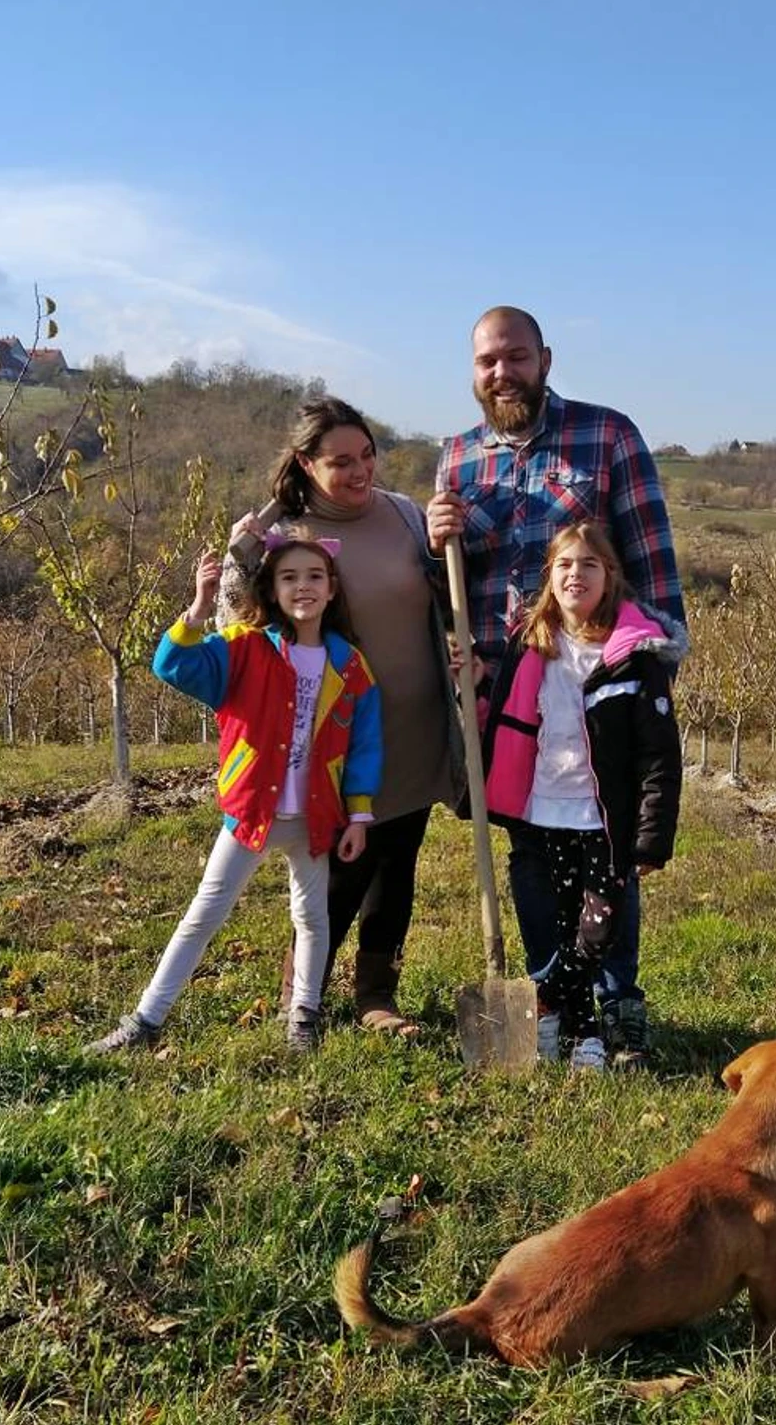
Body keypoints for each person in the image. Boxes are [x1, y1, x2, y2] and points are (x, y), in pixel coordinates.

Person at [427, 305, 686, 1067]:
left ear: (545, 359)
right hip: (509, 703)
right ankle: (551, 1003)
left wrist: (648, 675)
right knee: (533, 854)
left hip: (595, 690)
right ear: (473, 371)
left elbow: (651, 559)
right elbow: (446, 588)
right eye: (487, 361)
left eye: (516, 357)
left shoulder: (608, 437)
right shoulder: (456, 460)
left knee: (607, 852)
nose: (501, 373)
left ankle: (617, 1005)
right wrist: (435, 544)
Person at [86, 528, 382, 1055]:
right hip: (251, 813)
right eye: (289, 577)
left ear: (332, 588)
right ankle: (147, 1020)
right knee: (204, 914)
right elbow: (172, 665)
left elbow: (364, 745)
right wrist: (198, 610)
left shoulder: (351, 667)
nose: (303, 587)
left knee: (312, 919)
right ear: (271, 589)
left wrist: (358, 816)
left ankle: (303, 1016)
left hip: (314, 818)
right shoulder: (244, 648)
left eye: (315, 576)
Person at [221, 396, 463, 1036]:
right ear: (306, 463)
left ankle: (377, 995)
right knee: (338, 868)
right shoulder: (285, 535)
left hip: (415, 728)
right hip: (334, 735)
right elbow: (238, 630)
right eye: (341, 462)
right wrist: (240, 559)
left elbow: (442, 602)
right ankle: (302, 993)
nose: (360, 472)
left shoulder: (405, 514)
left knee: (397, 863)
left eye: (367, 456)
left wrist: (454, 613)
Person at [480, 522, 683, 1070]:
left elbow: (659, 755)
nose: (577, 574)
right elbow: (502, 719)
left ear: (609, 576)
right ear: (550, 575)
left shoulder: (633, 654)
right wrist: (469, 681)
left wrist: (652, 837)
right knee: (555, 920)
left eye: (590, 564)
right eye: (565, 564)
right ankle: (579, 1028)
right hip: (542, 811)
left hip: (603, 819)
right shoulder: (531, 644)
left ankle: (556, 1004)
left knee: (598, 925)